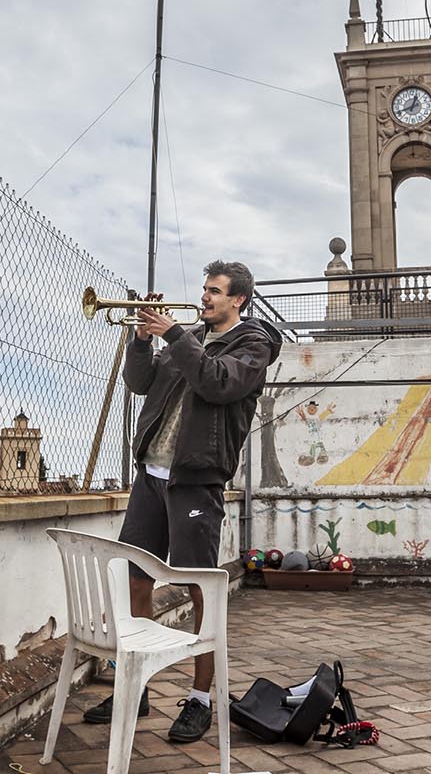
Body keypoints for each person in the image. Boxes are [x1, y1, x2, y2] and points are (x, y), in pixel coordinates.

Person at [82, 260, 283, 744]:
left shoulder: (252, 346)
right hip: (150, 477)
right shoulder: (185, 338)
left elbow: (217, 383)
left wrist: (175, 335)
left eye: (214, 291)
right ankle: (137, 686)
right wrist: (141, 339)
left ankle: (199, 701)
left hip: (196, 481)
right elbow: (140, 382)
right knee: (135, 581)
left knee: (199, 589)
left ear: (238, 299)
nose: (205, 297)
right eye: (204, 289)